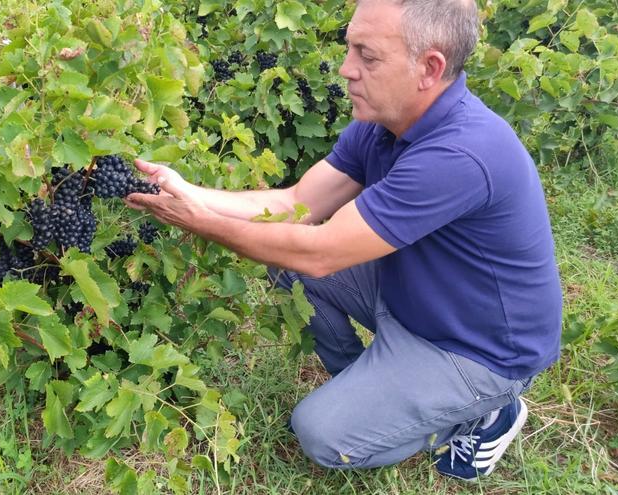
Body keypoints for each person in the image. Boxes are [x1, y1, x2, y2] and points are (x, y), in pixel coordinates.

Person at [125, 0, 562, 481]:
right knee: (286, 263)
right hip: (416, 296)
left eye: (367, 56)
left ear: (429, 67)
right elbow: (297, 203)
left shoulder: (460, 153)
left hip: (477, 348)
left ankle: (482, 412)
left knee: (321, 433)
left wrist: (200, 222)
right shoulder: (382, 124)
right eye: (349, 48)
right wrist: (189, 192)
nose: (346, 69)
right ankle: (377, 389)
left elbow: (321, 253)